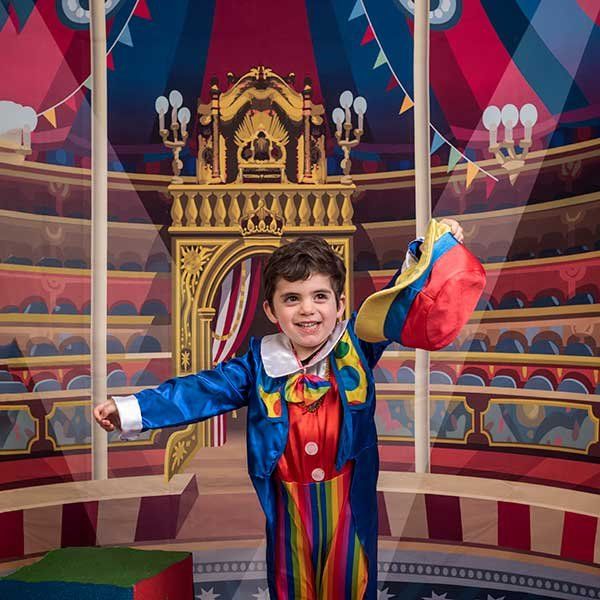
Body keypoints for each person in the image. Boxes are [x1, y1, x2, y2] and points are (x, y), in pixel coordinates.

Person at [94, 218, 484, 600]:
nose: (307, 310)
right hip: (288, 504)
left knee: (351, 582)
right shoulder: (256, 364)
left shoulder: (359, 344)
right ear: (270, 310)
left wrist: (433, 246)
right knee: (291, 585)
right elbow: (199, 391)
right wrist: (130, 408)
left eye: (319, 296)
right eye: (291, 299)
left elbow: (399, 299)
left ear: (339, 303)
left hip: (346, 499)